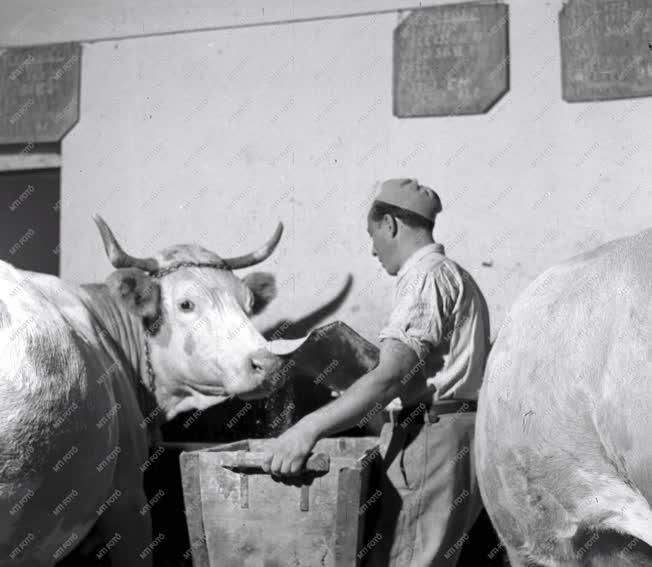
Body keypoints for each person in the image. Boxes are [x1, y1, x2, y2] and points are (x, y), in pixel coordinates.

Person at [263, 178, 491, 566]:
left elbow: (388, 378)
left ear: (390, 225)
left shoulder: (424, 278)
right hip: (461, 431)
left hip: (431, 436)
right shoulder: (456, 275)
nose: (372, 249)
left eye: (372, 234)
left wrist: (306, 429)